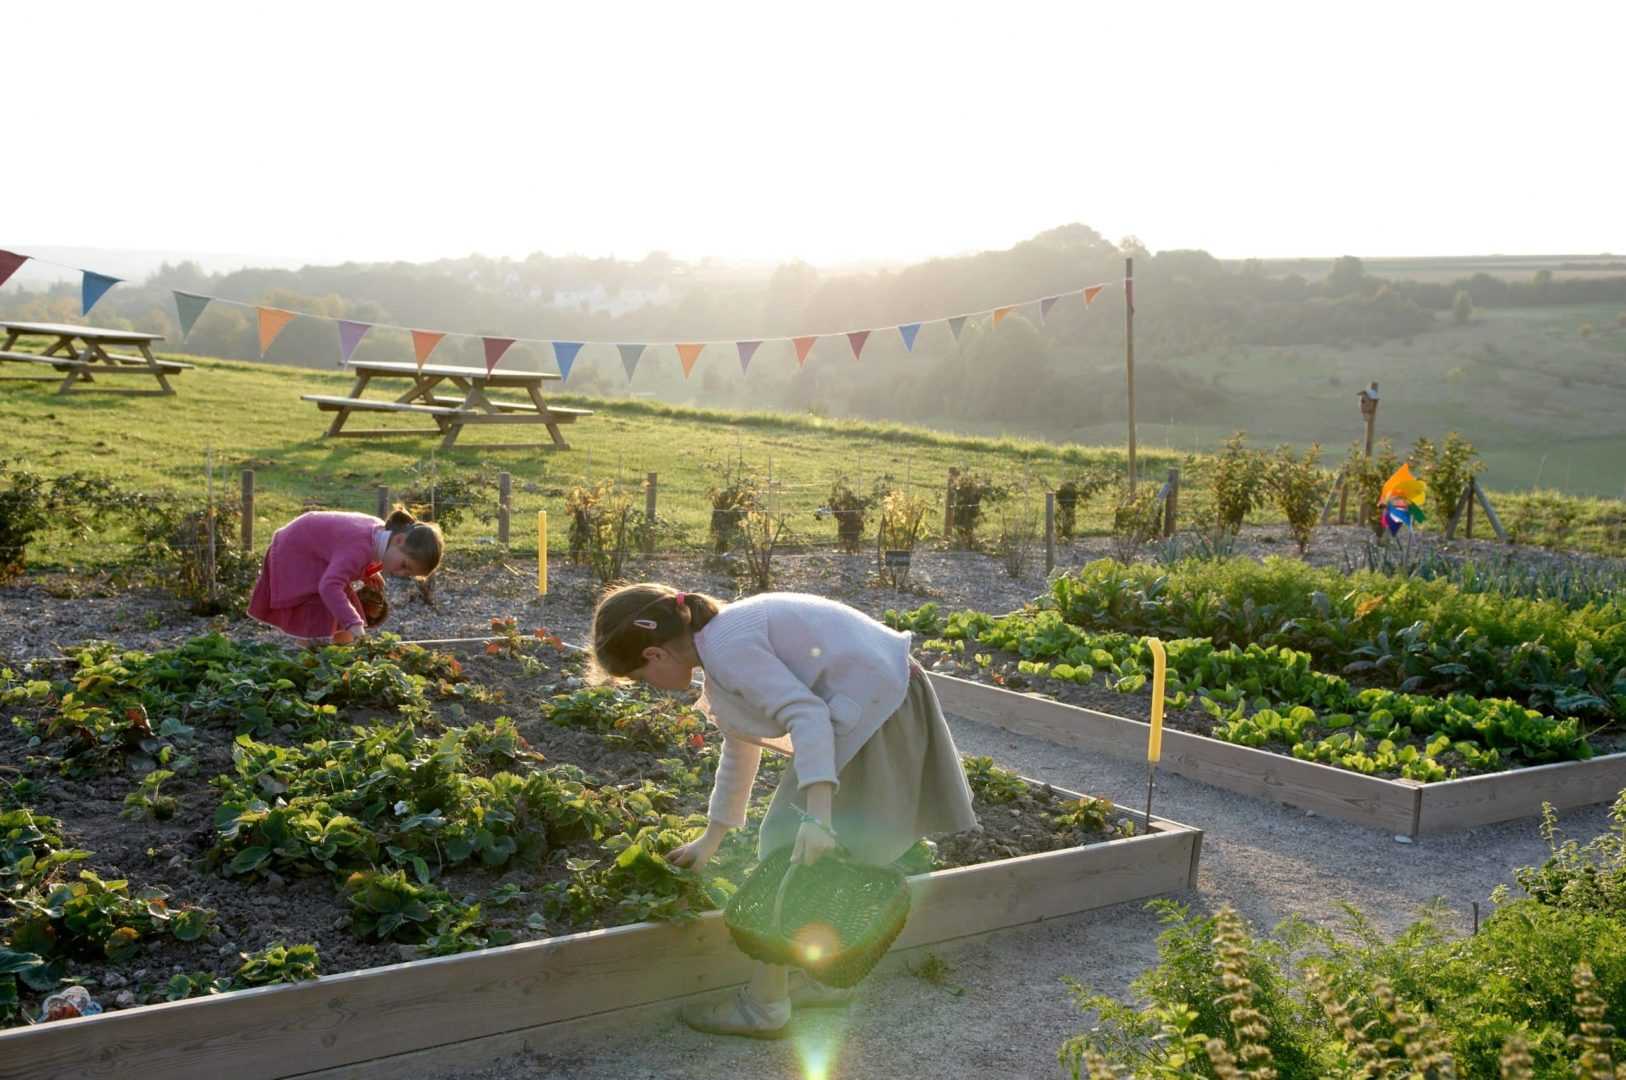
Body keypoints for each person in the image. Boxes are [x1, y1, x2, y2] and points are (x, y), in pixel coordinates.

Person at [589, 584, 979, 1039]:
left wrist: (815, 819)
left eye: (638, 677)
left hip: (878, 710)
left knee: (784, 848)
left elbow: (808, 717)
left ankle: (765, 1006)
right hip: (876, 702)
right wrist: (713, 836)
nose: (646, 688)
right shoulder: (719, 645)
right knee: (817, 849)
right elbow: (740, 746)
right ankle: (820, 979)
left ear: (655, 655)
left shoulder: (729, 650)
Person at [247, 506, 442, 644]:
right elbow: (329, 585)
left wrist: (366, 572)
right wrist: (354, 623)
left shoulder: (381, 534)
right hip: (296, 553)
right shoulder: (359, 547)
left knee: (338, 611)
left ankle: (340, 653)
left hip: (312, 549)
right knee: (316, 612)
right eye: (404, 566)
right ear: (399, 540)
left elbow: (338, 549)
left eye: (407, 573)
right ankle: (309, 662)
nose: (400, 573)